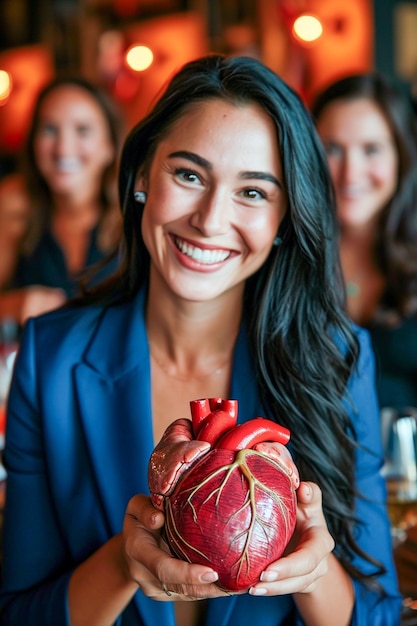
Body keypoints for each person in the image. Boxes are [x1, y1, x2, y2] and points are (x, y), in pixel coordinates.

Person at [0, 54, 402, 626]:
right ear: (142, 174)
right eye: (188, 175)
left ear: (286, 219)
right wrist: (124, 562)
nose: (211, 220)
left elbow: (380, 616)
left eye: (254, 193)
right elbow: (19, 614)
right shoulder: (52, 360)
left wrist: (313, 574)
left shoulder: (337, 362)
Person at [311, 73, 417, 411]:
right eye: (333, 149)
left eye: (371, 149)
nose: (351, 173)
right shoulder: (287, 255)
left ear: (401, 155)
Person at [0, 76, 124, 327]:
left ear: (110, 146)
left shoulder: (136, 215)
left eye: (82, 130)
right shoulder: (14, 207)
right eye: (49, 130)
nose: (63, 149)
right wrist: (14, 305)